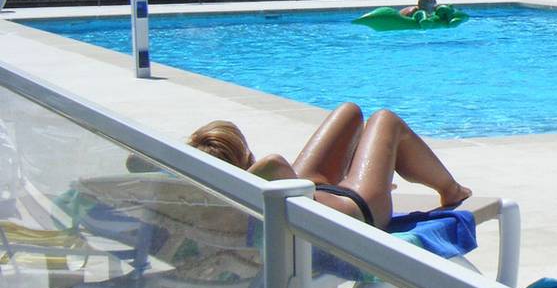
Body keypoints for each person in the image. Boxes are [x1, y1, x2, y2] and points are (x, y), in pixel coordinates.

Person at [188, 103, 471, 229]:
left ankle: (369, 173)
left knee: (349, 112)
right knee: (385, 120)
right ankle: (451, 190)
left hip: (316, 195)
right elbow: (274, 163)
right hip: (358, 211)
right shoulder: (252, 183)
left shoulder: (198, 205)